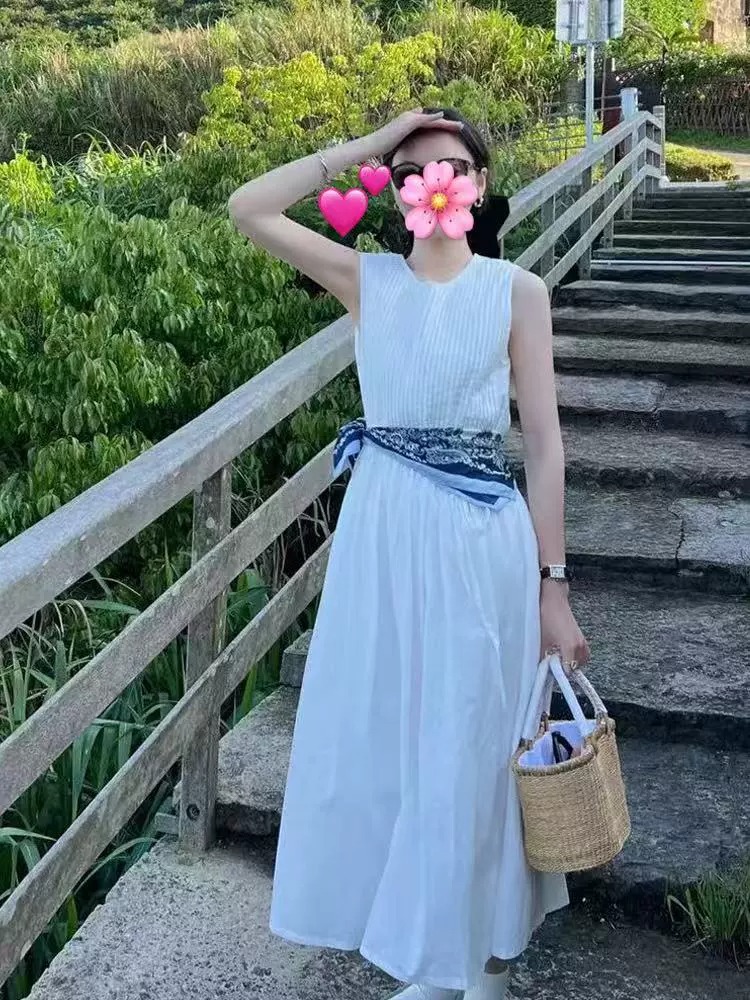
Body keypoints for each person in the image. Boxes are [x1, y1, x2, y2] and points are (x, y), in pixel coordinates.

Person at [228, 107, 590, 1000]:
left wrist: (553, 587)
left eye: (455, 164)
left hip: (480, 542)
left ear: (479, 185)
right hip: (382, 541)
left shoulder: (516, 291)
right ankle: (433, 958)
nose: (438, 179)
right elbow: (248, 207)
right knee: (391, 740)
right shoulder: (367, 279)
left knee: (472, 742)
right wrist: (364, 147)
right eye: (417, 168)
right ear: (397, 191)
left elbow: (545, 445)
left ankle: (474, 962)